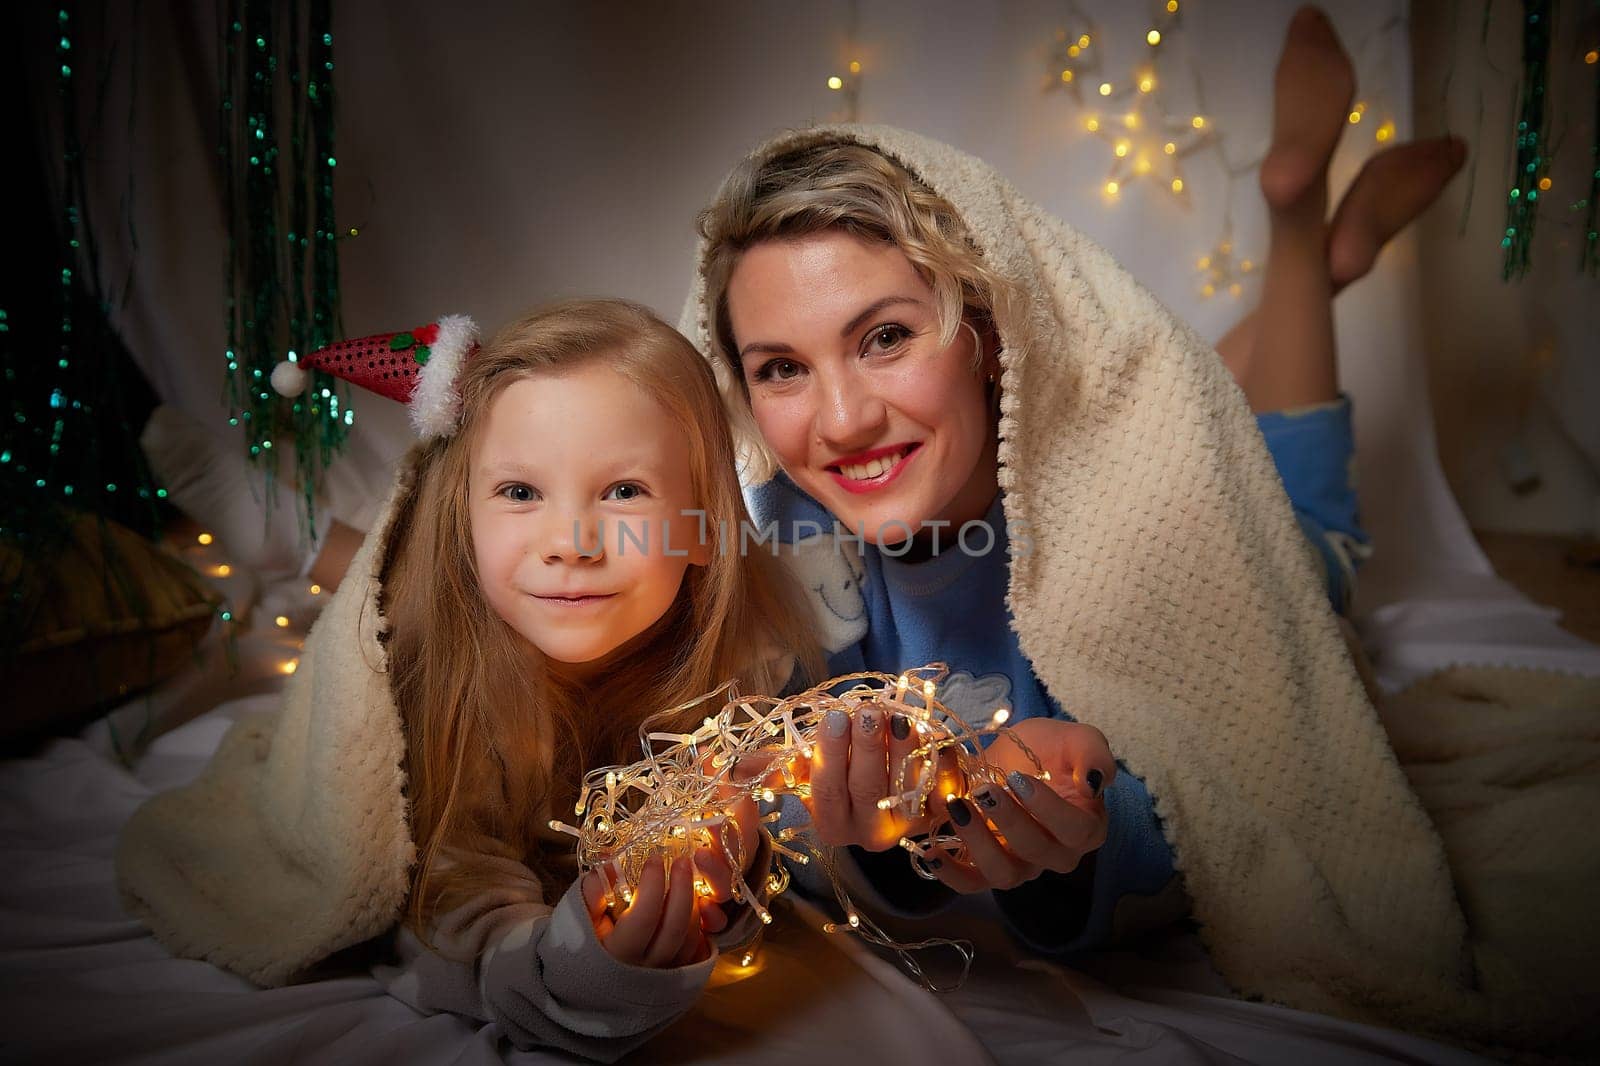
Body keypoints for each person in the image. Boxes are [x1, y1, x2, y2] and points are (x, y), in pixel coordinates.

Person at [680, 4, 1472, 1014]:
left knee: (1312, 532)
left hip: (1232, 535)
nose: (838, 421)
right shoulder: (780, 542)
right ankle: (1320, 263)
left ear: (991, 330)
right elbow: (767, 802)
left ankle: (1294, 213)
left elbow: (1239, 788)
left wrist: (1098, 825)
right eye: (781, 368)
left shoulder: (1147, 522)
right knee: (1173, 401)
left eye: (883, 337)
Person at [118, 300, 826, 1061]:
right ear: (468, 514)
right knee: (385, 586)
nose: (570, 544)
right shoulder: (442, 683)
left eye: (624, 491)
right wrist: (580, 976)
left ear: (702, 525)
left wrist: (729, 874)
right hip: (441, 621)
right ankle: (287, 538)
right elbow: (450, 916)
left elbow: (746, 861)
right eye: (520, 492)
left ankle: (290, 540)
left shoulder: (740, 656)